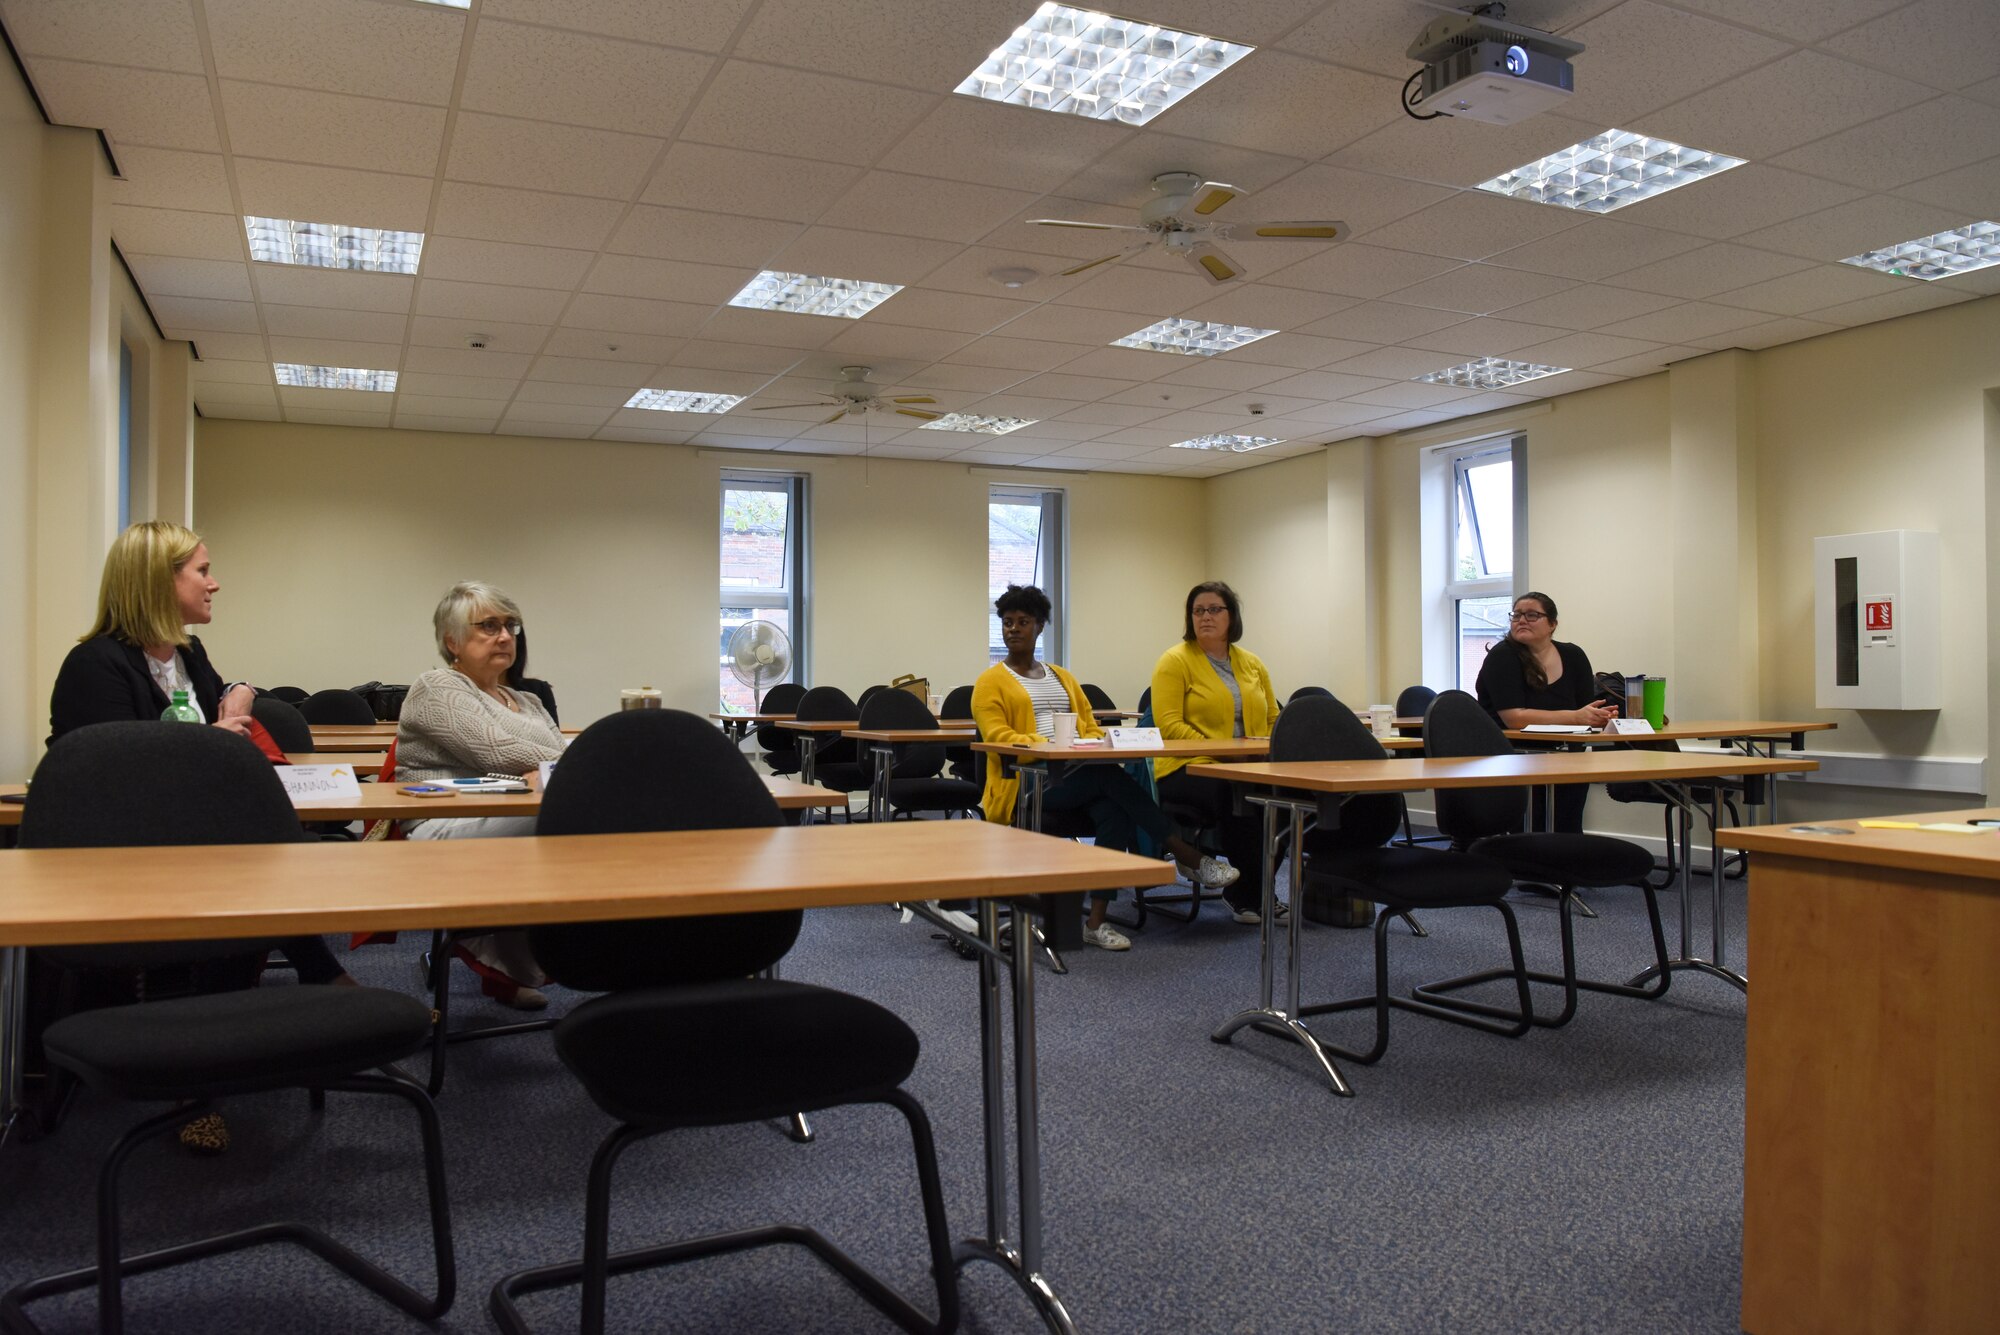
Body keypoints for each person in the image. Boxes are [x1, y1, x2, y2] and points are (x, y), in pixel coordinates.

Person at [48, 520, 353, 988]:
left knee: (267, 849)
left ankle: (273, 986)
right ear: (159, 580)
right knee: (264, 852)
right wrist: (213, 742)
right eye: (202, 570)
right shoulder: (95, 664)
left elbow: (217, 702)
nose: (214, 583)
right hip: (124, 847)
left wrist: (241, 692)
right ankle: (311, 975)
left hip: (194, 832)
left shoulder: (186, 653)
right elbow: (112, 773)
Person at [973, 585, 1238, 952]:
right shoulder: (990, 682)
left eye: (1023, 622)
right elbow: (997, 735)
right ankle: (1183, 852)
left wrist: (1092, 743)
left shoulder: (1062, 677)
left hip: (1078, 777)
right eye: (1007, 623)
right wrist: (1048, 746)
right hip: (1028, 783)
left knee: (1114, 809)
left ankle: (1095, 923)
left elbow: (1091, 726)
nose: (1013, 629)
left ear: (1040, 627)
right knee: (1109, 777)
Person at [396, 581, 566, 1008]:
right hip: (440, 829)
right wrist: (561, 765)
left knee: (577, 820)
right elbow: (498, 750)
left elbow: (555, 762)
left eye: (511, 626)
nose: (505, 636)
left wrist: (554, 767)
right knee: (560, 821)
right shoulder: (437, 687)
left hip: (511, 819)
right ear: (452, 640)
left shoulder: (527, 700)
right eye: (488, 626)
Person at [1151, 581, 1280, 924]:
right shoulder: (1174, 661)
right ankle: (1252, 897)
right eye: (1198, 611)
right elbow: (1169, 726)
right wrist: (1224, 755)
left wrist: (1262, 753)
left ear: (1231, 617)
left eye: (1214, 609)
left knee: (1290, 798)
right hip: (1188, 768)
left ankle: (1251, 890)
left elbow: (1272, 717)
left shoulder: (1252, 663)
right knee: (1237, 792)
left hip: (1249, 764)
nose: (1205, 617)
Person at [1474, 590, 1615, 833]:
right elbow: (1515, 718)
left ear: (1552, 624)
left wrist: (1600, 717)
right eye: (1516, 615)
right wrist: (1575, 717)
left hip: (1567, 754)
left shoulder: (1573, 655)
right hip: (1514, 756)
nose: (1521, 620)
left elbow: (1585, 708)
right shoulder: (1502, 656)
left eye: (1532, 615)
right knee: (1532, 828)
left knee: (1567, 828)